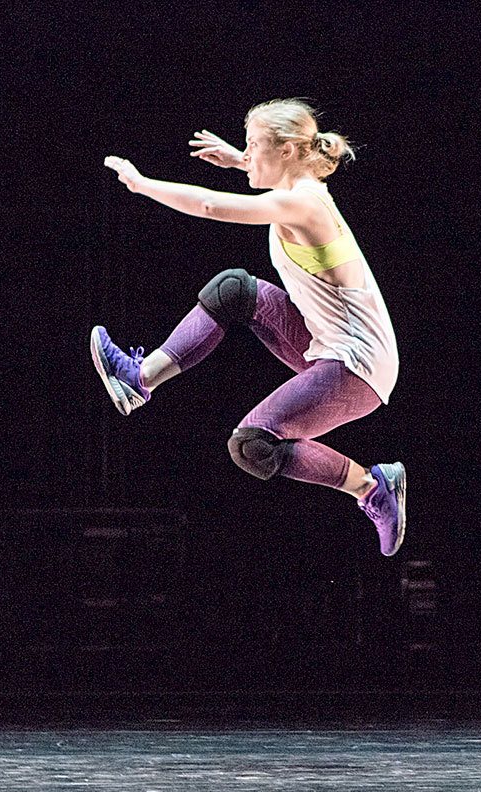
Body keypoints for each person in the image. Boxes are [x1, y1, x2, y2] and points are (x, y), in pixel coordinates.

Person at [90, 98, 405, 556]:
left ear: (288, 150)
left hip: (358, 369)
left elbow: (209, 206)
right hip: (328, 347)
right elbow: (275, 176)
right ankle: (138, 380)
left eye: (254, 145)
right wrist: (242, 161)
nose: (247, 153)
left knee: (252, 445)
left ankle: (372, 487)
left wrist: (141, 185)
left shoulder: (303, 205)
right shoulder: (301, 190)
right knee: (234, 290)